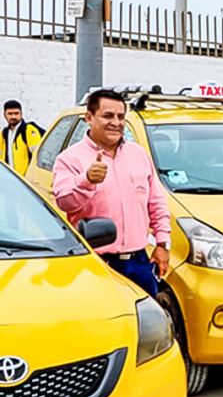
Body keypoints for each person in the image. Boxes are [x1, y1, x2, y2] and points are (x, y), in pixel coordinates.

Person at [52, 89, 171, 297]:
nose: (116, 123)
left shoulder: (138, 154)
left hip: (139, 263)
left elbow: (156, 202)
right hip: (95, 264)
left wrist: (162, 244)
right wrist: (87, 181)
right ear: (89, 117)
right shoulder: (70, 159)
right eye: (108, 116)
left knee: (145, 316)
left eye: (120, 116)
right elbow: (64, 202)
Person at [1, 99, 45, 176]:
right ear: (4, 115)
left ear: (21, 114)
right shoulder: (4, 133)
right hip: (11, 178)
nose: (13, 116)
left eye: (16, 113)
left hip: (26, 180)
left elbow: (38, 157)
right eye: (10, 114)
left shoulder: (29, 130)